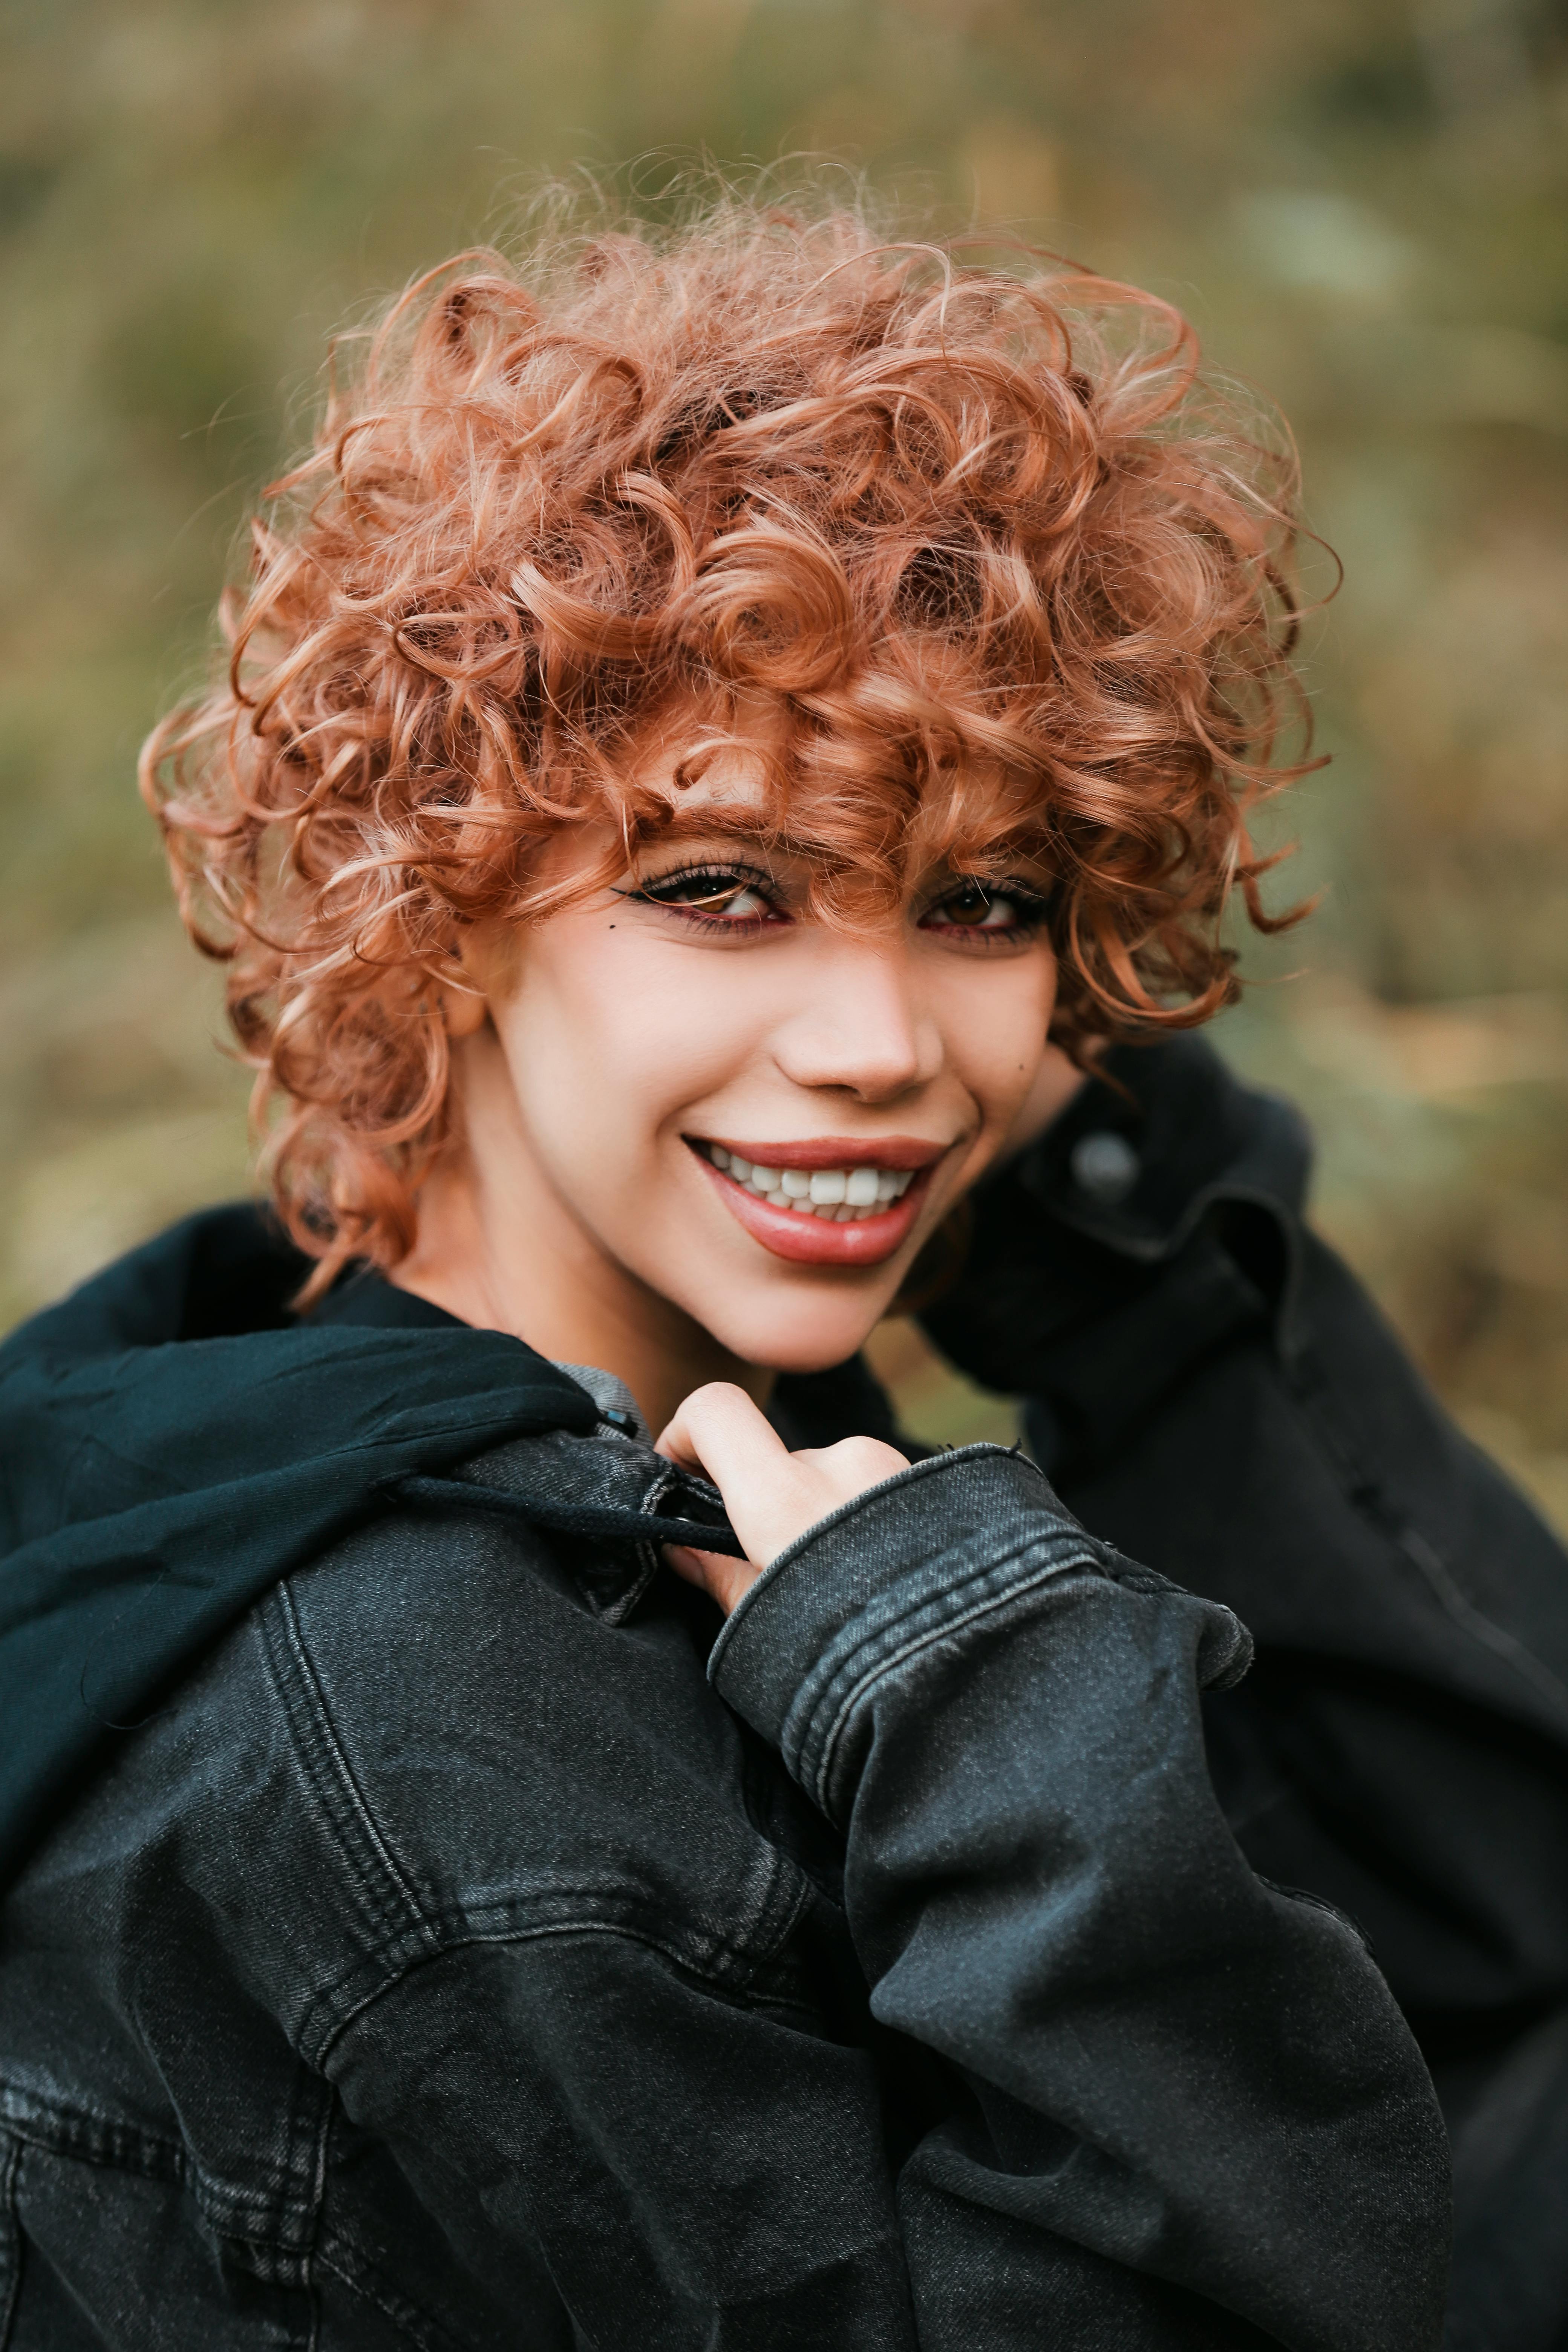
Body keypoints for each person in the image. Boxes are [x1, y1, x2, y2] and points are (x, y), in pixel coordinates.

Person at [2, 187, 1559, 2350]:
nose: (882, 1043)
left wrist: (1116, 1265)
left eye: (984, 901)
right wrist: (992, 1729)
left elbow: (1505, 1943)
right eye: (725, 887)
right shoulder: (438, 1726)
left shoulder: (326, 1369)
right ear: (437, 899)